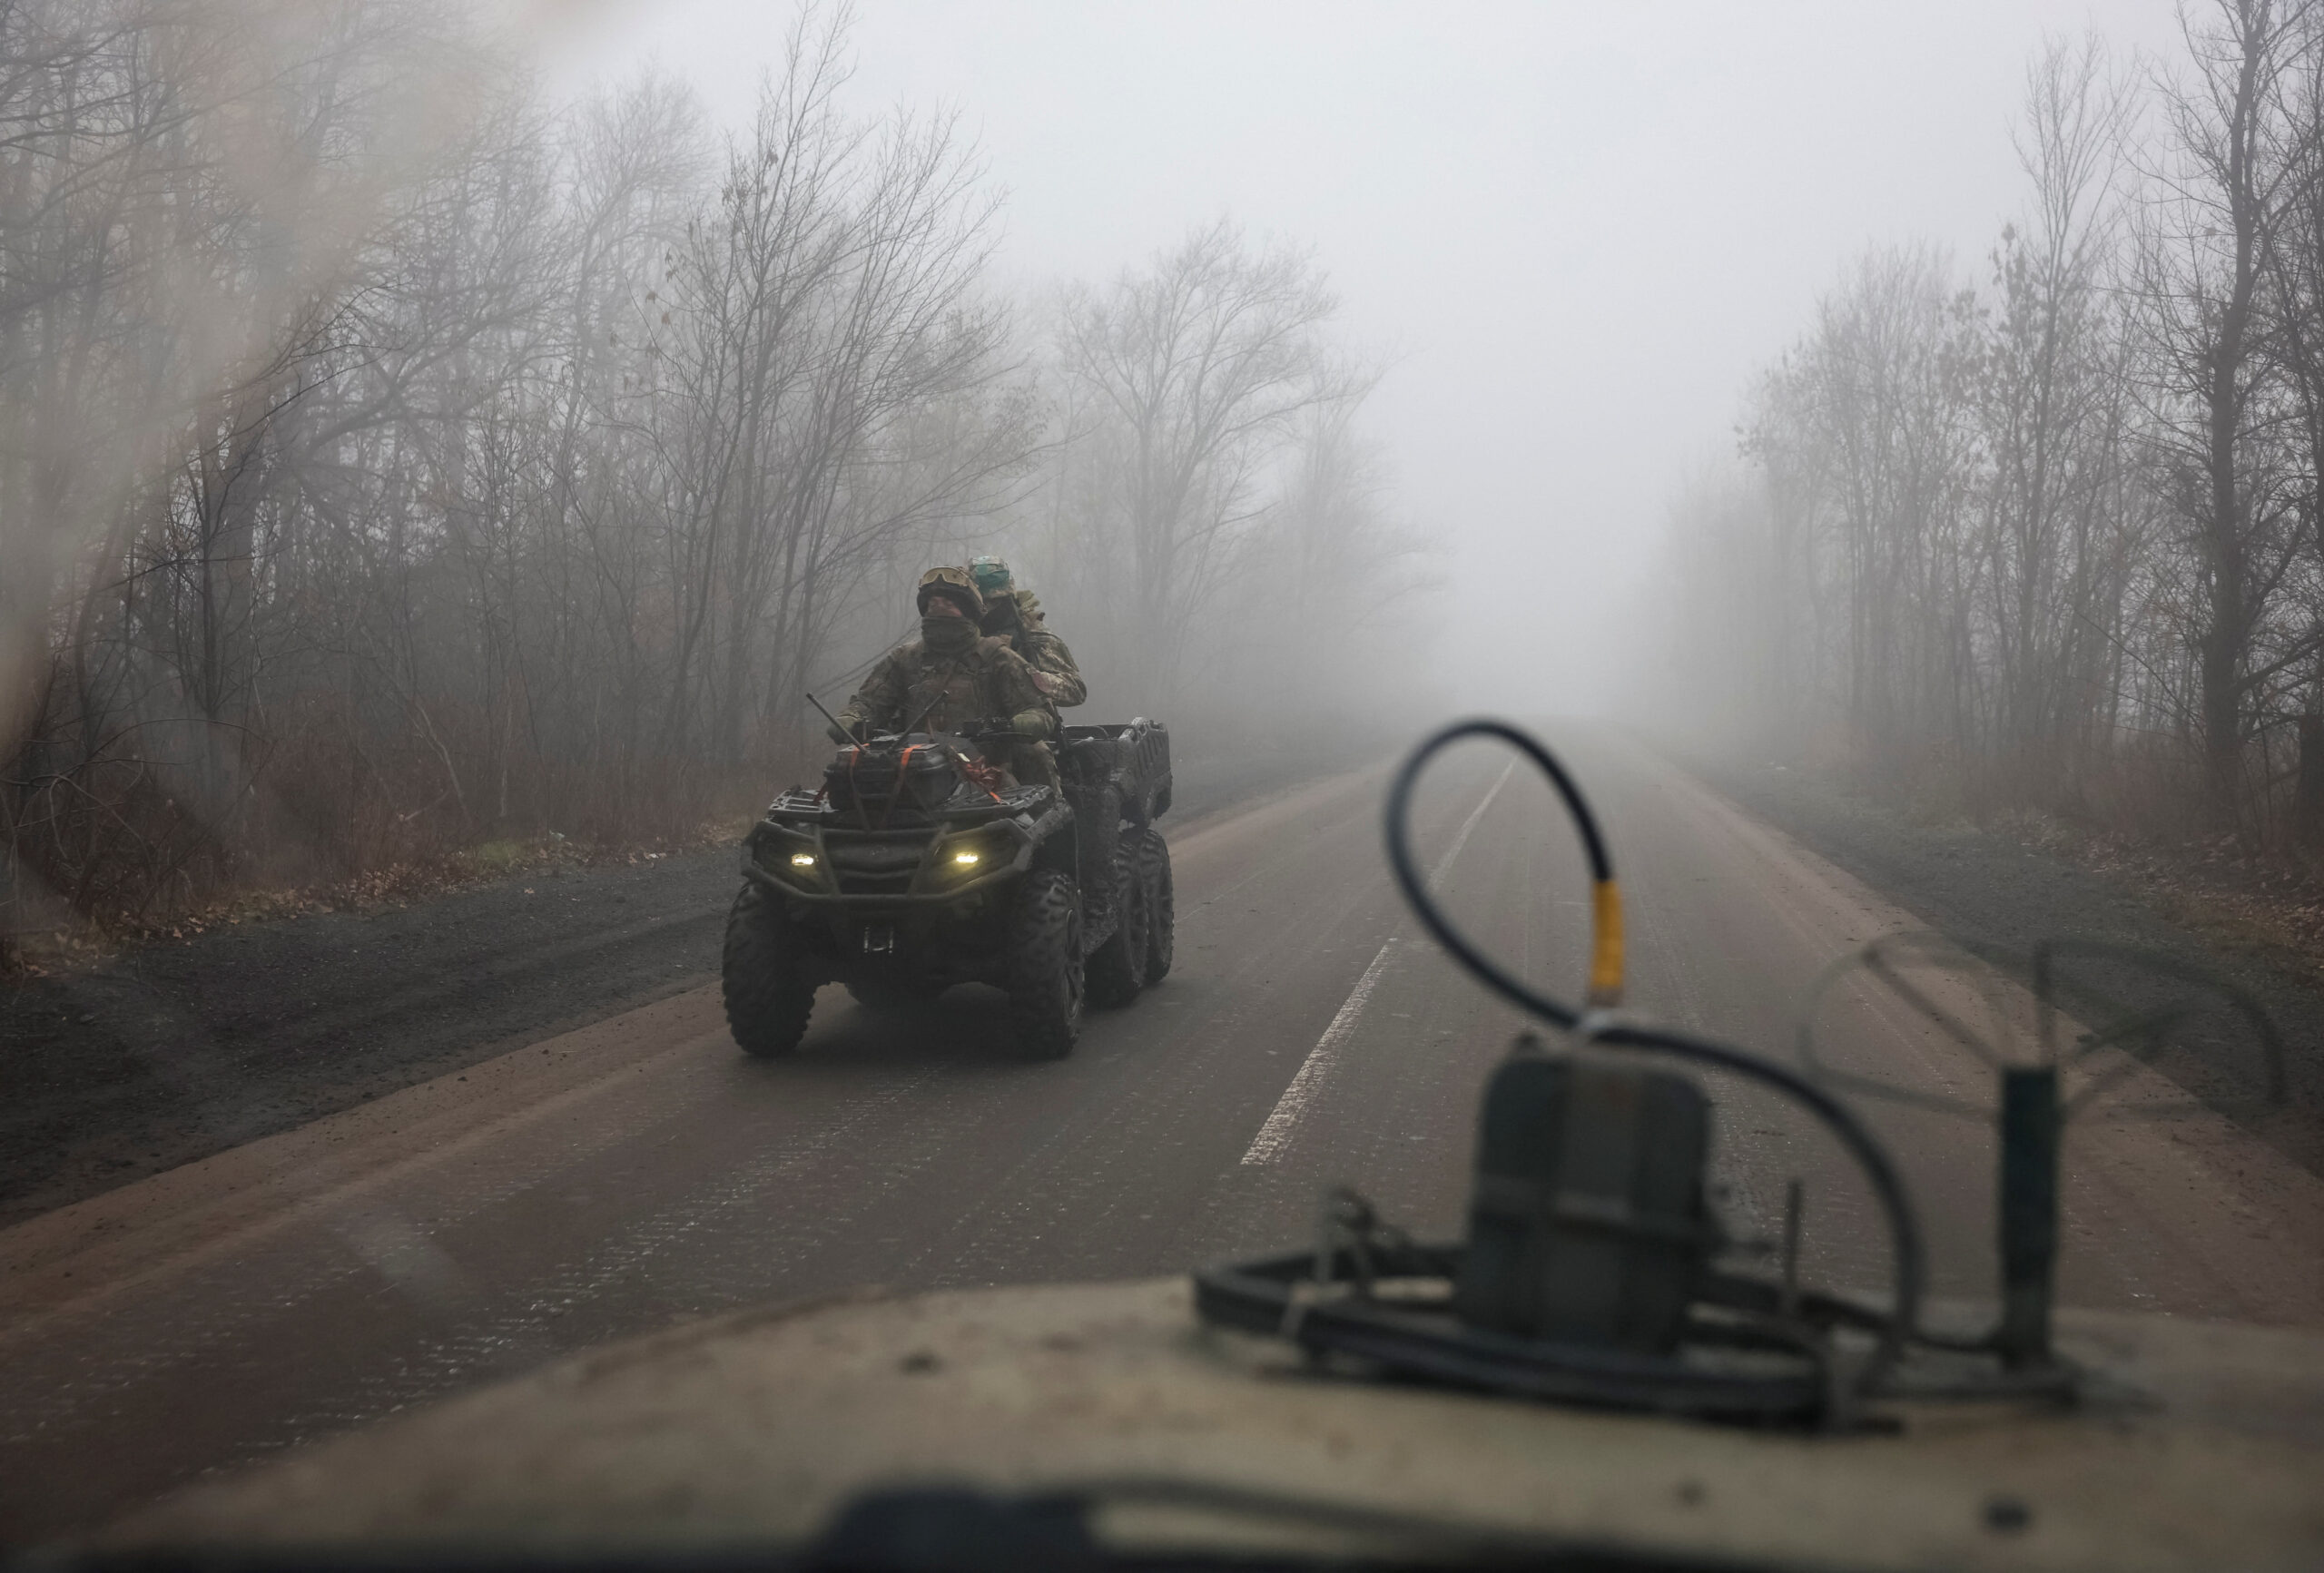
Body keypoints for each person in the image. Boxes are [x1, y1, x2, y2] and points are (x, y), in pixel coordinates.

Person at [830, 566, 1059, 787]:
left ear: (968, 611)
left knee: (1034, 761)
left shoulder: (997, 657)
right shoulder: (905, 658)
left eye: (948, 604)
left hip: (986, 771)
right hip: (913, 769)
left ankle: (1055, 809)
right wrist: (852, 717)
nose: (939, 609)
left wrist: (1028, 720)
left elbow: (1038, 708)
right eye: (933, 604)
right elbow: (871, 703)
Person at [970, 555, 1088, 708]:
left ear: (1006, 598)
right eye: (980, 602)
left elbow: (1075, 690)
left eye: (992, 601)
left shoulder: (1031, 633)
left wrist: (1030, 678)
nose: (985, 608)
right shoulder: (961, 630)